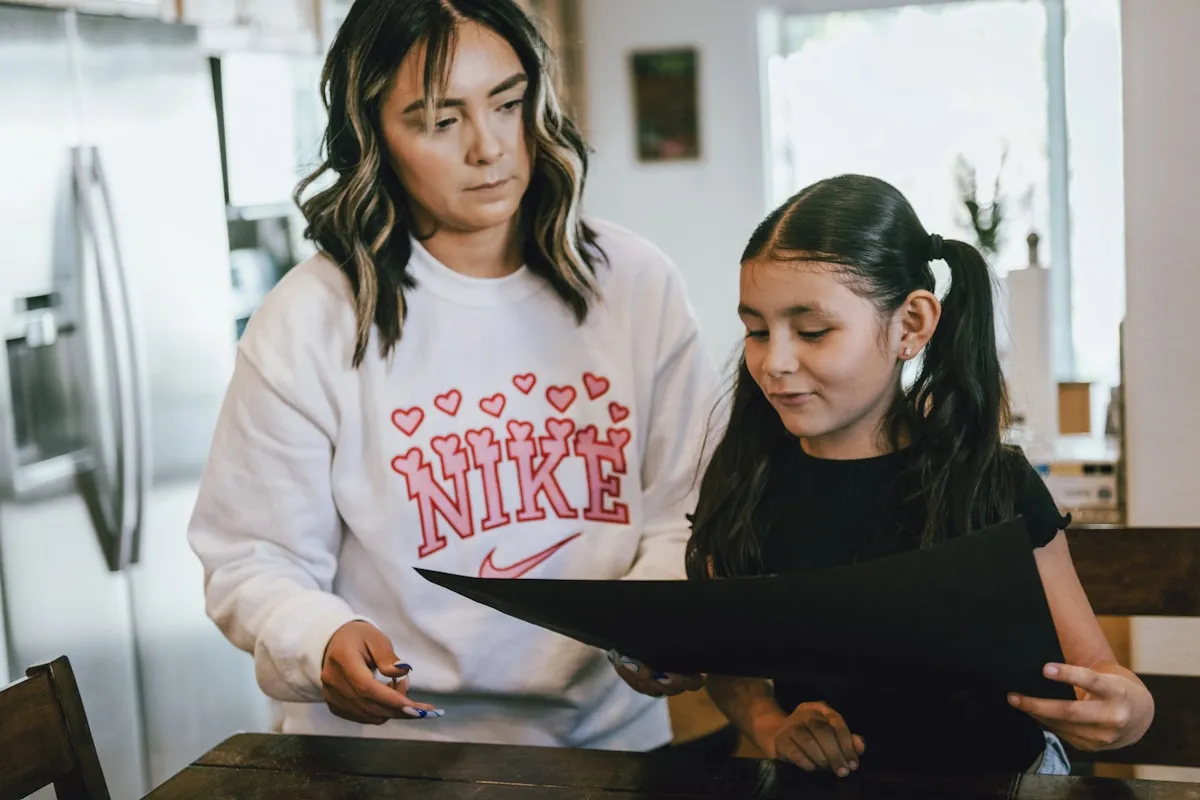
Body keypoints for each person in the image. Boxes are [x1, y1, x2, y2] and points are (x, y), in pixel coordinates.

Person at [187, 0, 716, 751]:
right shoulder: (311, 317)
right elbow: (252, 556)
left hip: (607, 747)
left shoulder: (634, 283)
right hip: (389, 758)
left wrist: (663, 623)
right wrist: (320, 636)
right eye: (440, 121)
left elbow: (683, 510)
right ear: (374, 135)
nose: (490, 147)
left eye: (508, 103)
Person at [679, 174, 1154, 776]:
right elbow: (732, 665)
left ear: (911, 325)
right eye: (756, 330)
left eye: (813, 331)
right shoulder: (748, 482)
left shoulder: (991, 483)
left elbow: (1097, 674)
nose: (773, 361)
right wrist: (772, 725)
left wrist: (1128, 710)